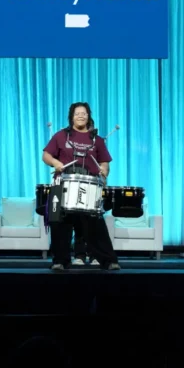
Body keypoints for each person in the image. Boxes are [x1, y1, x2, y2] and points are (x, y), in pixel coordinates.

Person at [42, 102, 121, 271]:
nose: (80, 116)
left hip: (88, 185)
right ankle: (60, 261)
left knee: (94, 223)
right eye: (77, 113)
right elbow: (46, 155)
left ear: (88, 116)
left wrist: (104, 171)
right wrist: (55, 162)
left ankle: (108, 260)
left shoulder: (97, 140)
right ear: (71, 117)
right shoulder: (61, 135)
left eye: (83, 113)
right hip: (61, 184)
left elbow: (105, 163)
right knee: (58, 223)